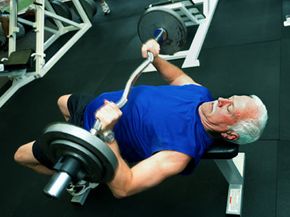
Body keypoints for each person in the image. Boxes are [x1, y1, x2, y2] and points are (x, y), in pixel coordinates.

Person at [14, 39, 268, 198]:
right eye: (229, 98)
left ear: (229, 134)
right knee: (62, 101)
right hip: (95, 108)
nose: (222, 100)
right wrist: (156, 58)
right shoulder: (201, 94)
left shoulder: (179, 153)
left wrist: (107, 135)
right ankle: (84, 163)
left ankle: (83, 178)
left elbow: (124, 187)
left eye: (229, 108)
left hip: (102, 135)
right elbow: (177, 78)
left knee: (22, 156)